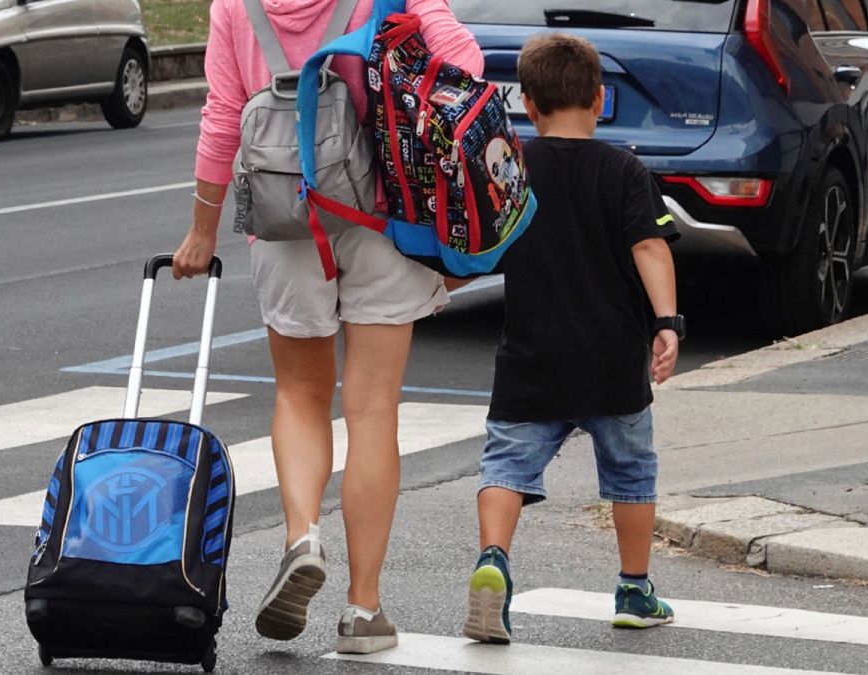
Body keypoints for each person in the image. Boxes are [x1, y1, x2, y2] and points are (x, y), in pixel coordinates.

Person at [170, 0, 481, 656]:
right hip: (382, 215)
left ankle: (302, 536)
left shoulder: (235, 5)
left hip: (283, 219)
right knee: (372, 411)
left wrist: (202, 231)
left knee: (300, 395)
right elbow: (465, 65)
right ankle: (363, 609)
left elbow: (224, 115)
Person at [461, 32, 683, 644]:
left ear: (527, 105)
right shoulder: (624, 168)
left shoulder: (514, 167)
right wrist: (666, 322)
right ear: (599, 98)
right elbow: (649, 245)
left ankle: (493, 562)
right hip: (613, 355)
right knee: (632, 473)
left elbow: (478, 249)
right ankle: (636, 589)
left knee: (506, 466)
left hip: (530, 352)